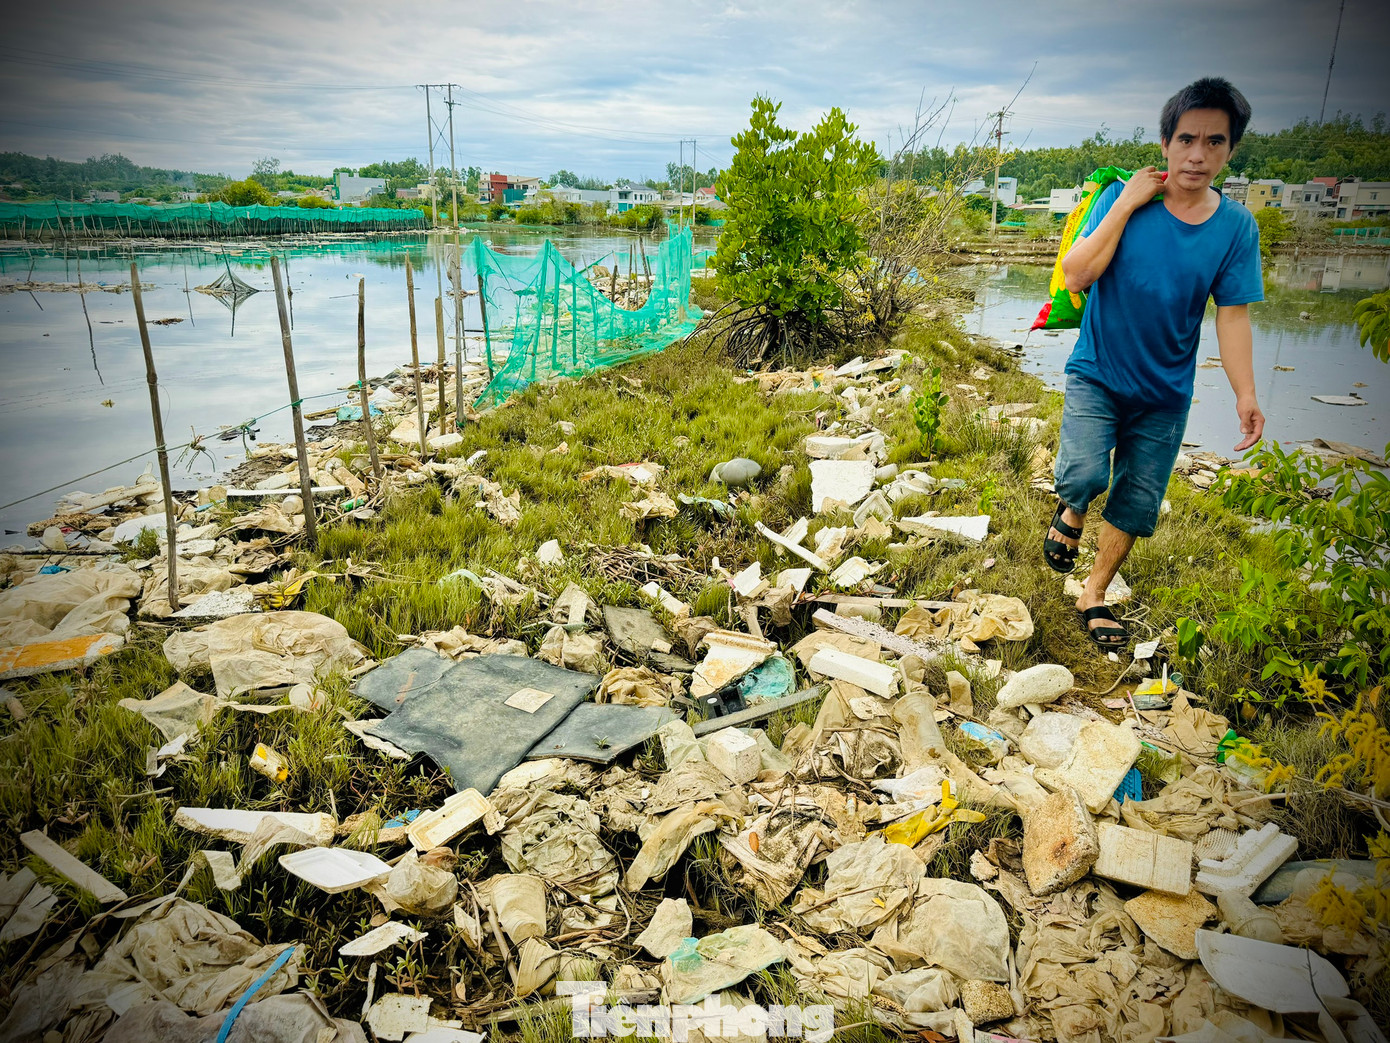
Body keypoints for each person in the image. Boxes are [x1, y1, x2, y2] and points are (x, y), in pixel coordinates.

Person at [1042, 77, 1265, 648]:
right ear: (1165, 141)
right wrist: (1126, 204)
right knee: (1086, 474)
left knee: (1138, 503)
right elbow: (1077, 274)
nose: (1198, 154)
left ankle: (1094, 592)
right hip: (1098, 371)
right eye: (1187, 138)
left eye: (1214, 142)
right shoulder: (1126, 200)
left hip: (1166, 391)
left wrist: (1245, 394)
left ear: (1230, 150)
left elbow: (1232, 316)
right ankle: (1071, 508)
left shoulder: (1237, 227)